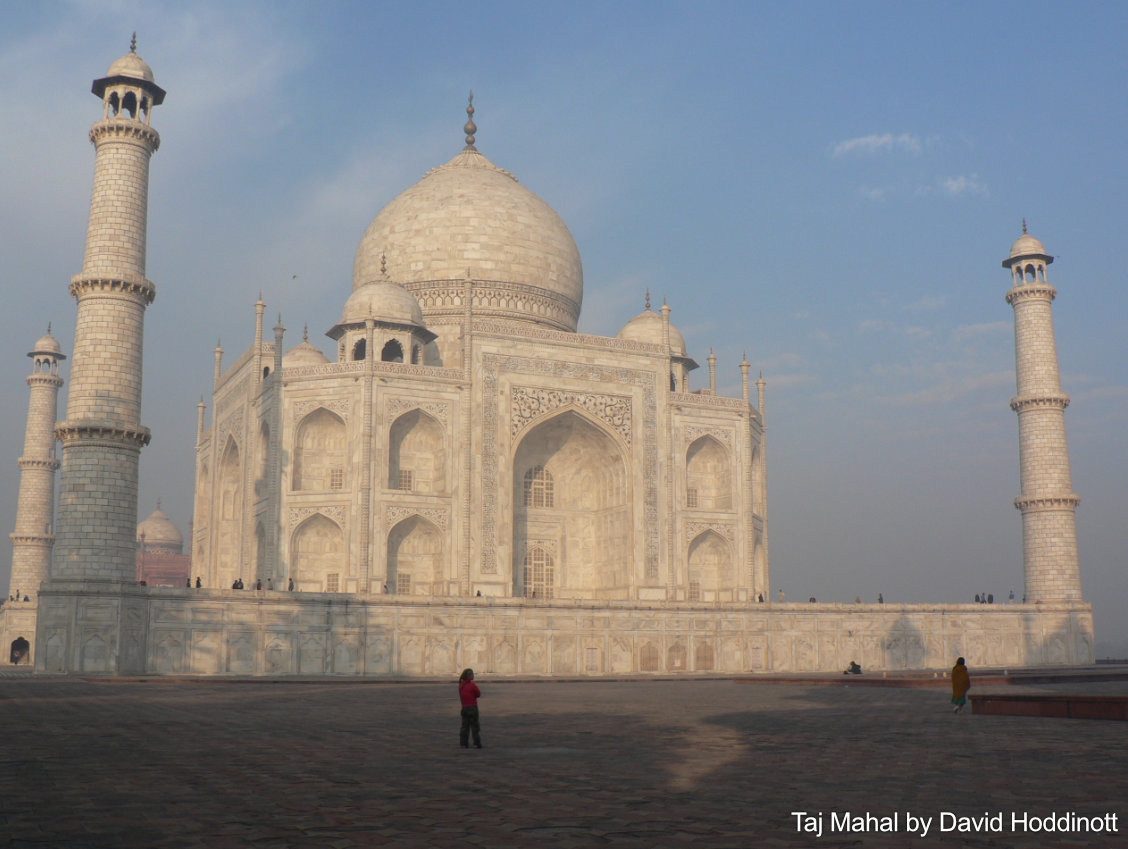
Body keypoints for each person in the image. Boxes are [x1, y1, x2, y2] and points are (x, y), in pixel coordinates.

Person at [458, 668, 483, 749]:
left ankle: (463, 743)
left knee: (465, 726)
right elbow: (478, 694)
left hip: (464, 708)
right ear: (469, 676)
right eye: (472, 674)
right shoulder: (472, 685)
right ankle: (476, 743)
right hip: (472, 708)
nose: (473, 676)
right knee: (475, 726)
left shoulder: (461, 685)